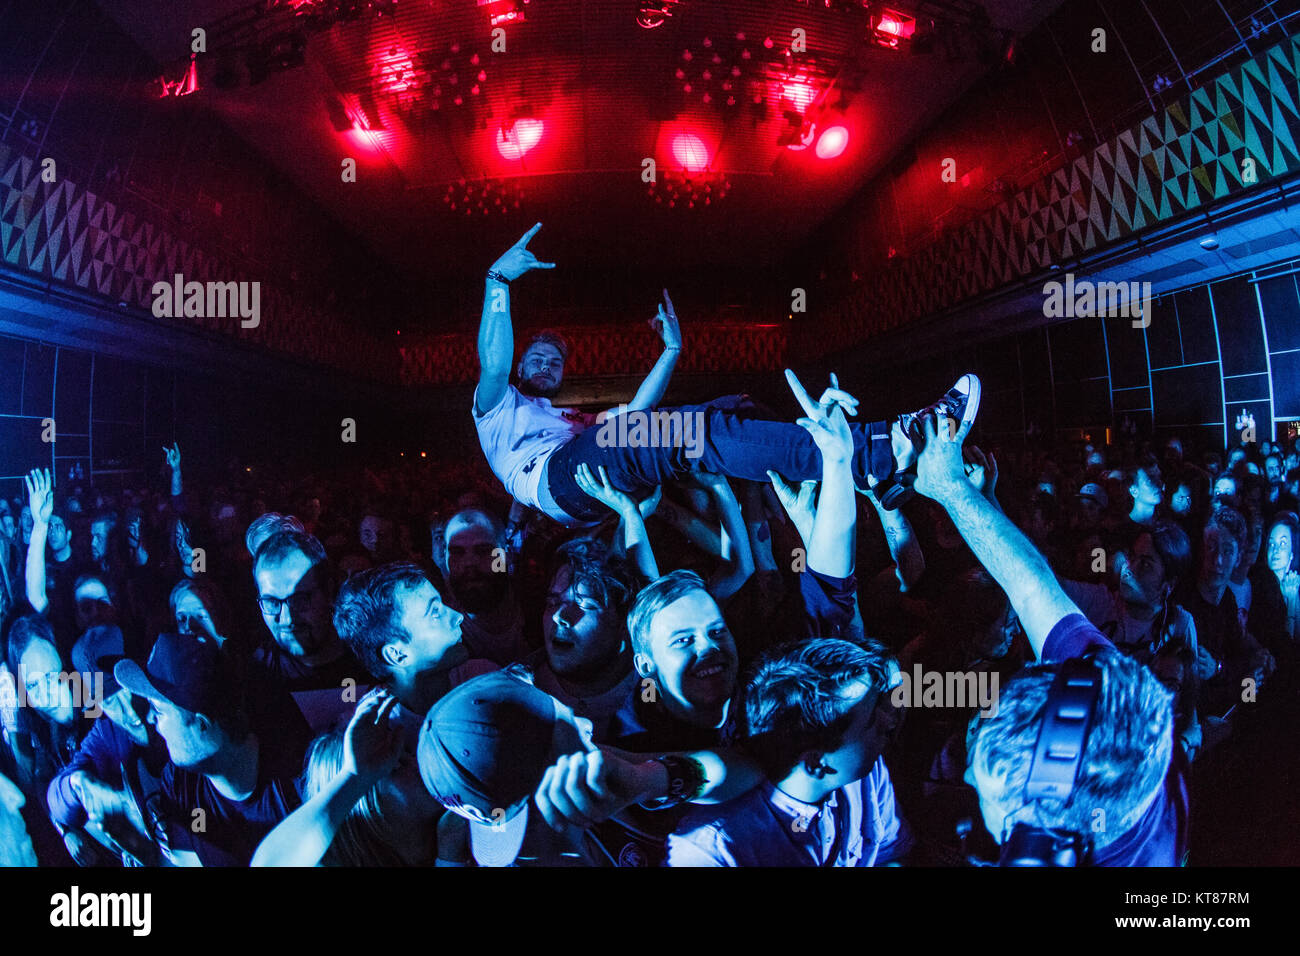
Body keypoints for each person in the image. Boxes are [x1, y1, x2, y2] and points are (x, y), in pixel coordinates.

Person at [472, 224, 980, 526]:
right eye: (536, 359)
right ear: (520, 367)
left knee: (730, 410)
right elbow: (493, 362)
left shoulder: (569, 417)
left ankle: (862, 477)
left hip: (589, 471)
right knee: (679, 432)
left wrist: (671, 349)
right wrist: (497, 280)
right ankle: (878, 452)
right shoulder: (497, 403)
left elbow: (639, 416)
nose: (545, 365)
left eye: (555, 361)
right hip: (556, 482)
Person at [909, 411, 1189, 865]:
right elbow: (1032, 585)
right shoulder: (1119, 710)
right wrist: (960, 493)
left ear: (1036, 845)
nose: (965, 774)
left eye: (985, 787)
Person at [667, 637, 910, 866]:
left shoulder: (865, 774)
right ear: (816, 763)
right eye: (870, 720)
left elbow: (891, 853)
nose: (888, 720)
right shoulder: (712, 850)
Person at [114, 633, 304, 866]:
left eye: (159, 710)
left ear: (202, 724)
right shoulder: (179, 782)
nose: (150, 719)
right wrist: (139, 847)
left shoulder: (295, 776)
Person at [437, 508, 527, 666]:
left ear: (504, 554)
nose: (469, 563)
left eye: (483, 551)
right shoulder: (441, 631)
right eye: (457, 552)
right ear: (445, 558)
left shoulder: (538, 607)